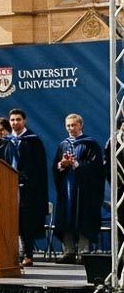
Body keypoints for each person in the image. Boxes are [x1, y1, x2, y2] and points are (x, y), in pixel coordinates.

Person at [51, 112, 103, 263]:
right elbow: (56, 167)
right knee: (66, 219)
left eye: (73, 125)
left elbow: (96, 168)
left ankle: (83, 252)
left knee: (83, 219)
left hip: (84, 190)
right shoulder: (63, 144)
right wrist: (62, 164)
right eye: (68, 125)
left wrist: (75, 163)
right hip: (67, 188)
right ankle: (68, 252)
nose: (70, 128)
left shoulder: (90, 144)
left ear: (81, 125)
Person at [7, 108, 49, 267]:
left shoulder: (33, 141)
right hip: (8, 187)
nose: (15, 123)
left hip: (27, 189)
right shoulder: (6, 141)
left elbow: (39, 167)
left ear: (24, 121)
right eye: (12, 120)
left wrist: (26, 177)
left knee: (26, 222)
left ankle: (28, 254)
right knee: (10, 221)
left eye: (18, 120)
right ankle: (11, 255)